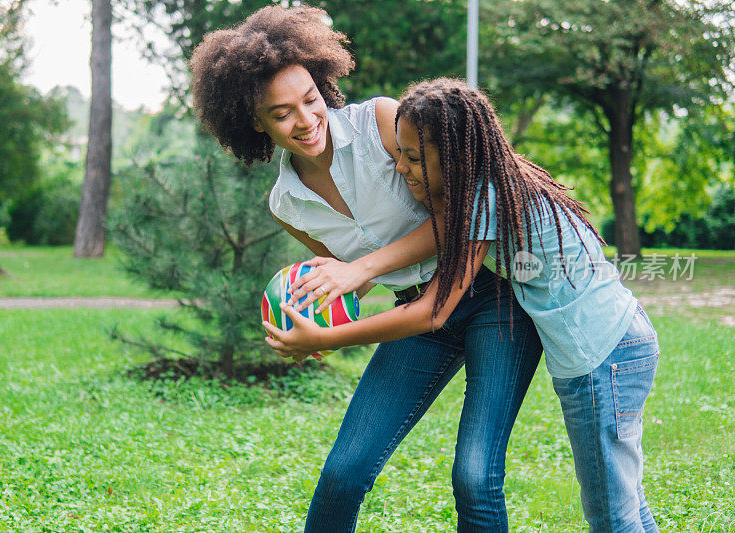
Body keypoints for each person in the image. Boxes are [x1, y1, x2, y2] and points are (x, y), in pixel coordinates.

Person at [190, 6, 542, 532]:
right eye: (281, 113)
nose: (306, 121)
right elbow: (351, 274)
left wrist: (357, 271)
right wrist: (311, 316)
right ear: (255, 122)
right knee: (343, 473)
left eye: (310, 100)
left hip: (492, 296)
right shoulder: (287, 204)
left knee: (475, 476)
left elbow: (464, 213)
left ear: (324, 84)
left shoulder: (381, 121)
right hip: (415, 313)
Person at [266, 78, 660, 532]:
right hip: (595, 350)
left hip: (590, 346)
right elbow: (355, 276)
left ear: (453, 158)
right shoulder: (483, 187)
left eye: (411, 157)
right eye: (400, 153)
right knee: (622, 507)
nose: (399, 166)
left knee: (602, 512)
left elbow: (433, 310)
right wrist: (322, 303)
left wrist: (328, 337)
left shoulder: (479, 196)